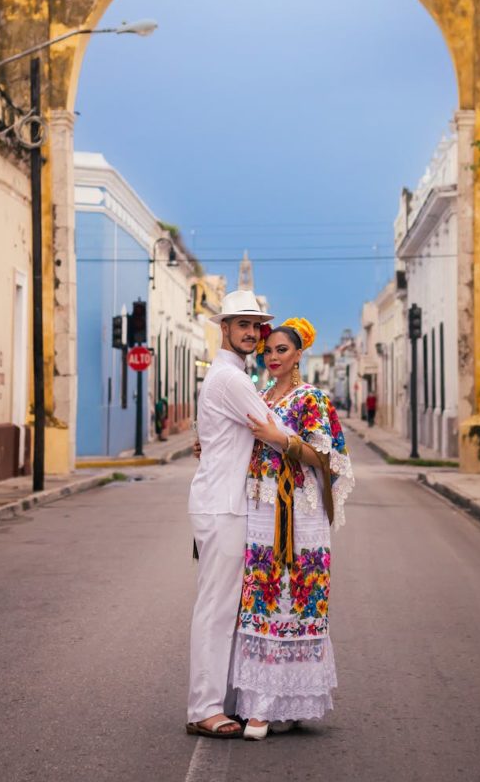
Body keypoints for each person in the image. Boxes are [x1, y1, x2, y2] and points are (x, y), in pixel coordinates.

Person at [231, 317, 354, 740]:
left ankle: (279, 704)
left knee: (296, 596)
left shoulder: (311, 399)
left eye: (281, 350)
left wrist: (278, 437)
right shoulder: (261, 395)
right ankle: (262, 702)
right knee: (262, 596)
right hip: (263, 508)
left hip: (299, 513)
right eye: (267, 352)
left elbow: (327, 456)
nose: (272, 358)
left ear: (299, 353)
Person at [185, 290, 289, 740]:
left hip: (227, 502)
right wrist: (315, 446)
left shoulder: (234, 376)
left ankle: (222, 703)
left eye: (256, 325)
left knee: (230, 608)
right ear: (223, 327)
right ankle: (203, 708)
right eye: (242, 324)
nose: (251, 332)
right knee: (217, 608)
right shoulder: (231, 380)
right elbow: (275, 431)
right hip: (223, 505)